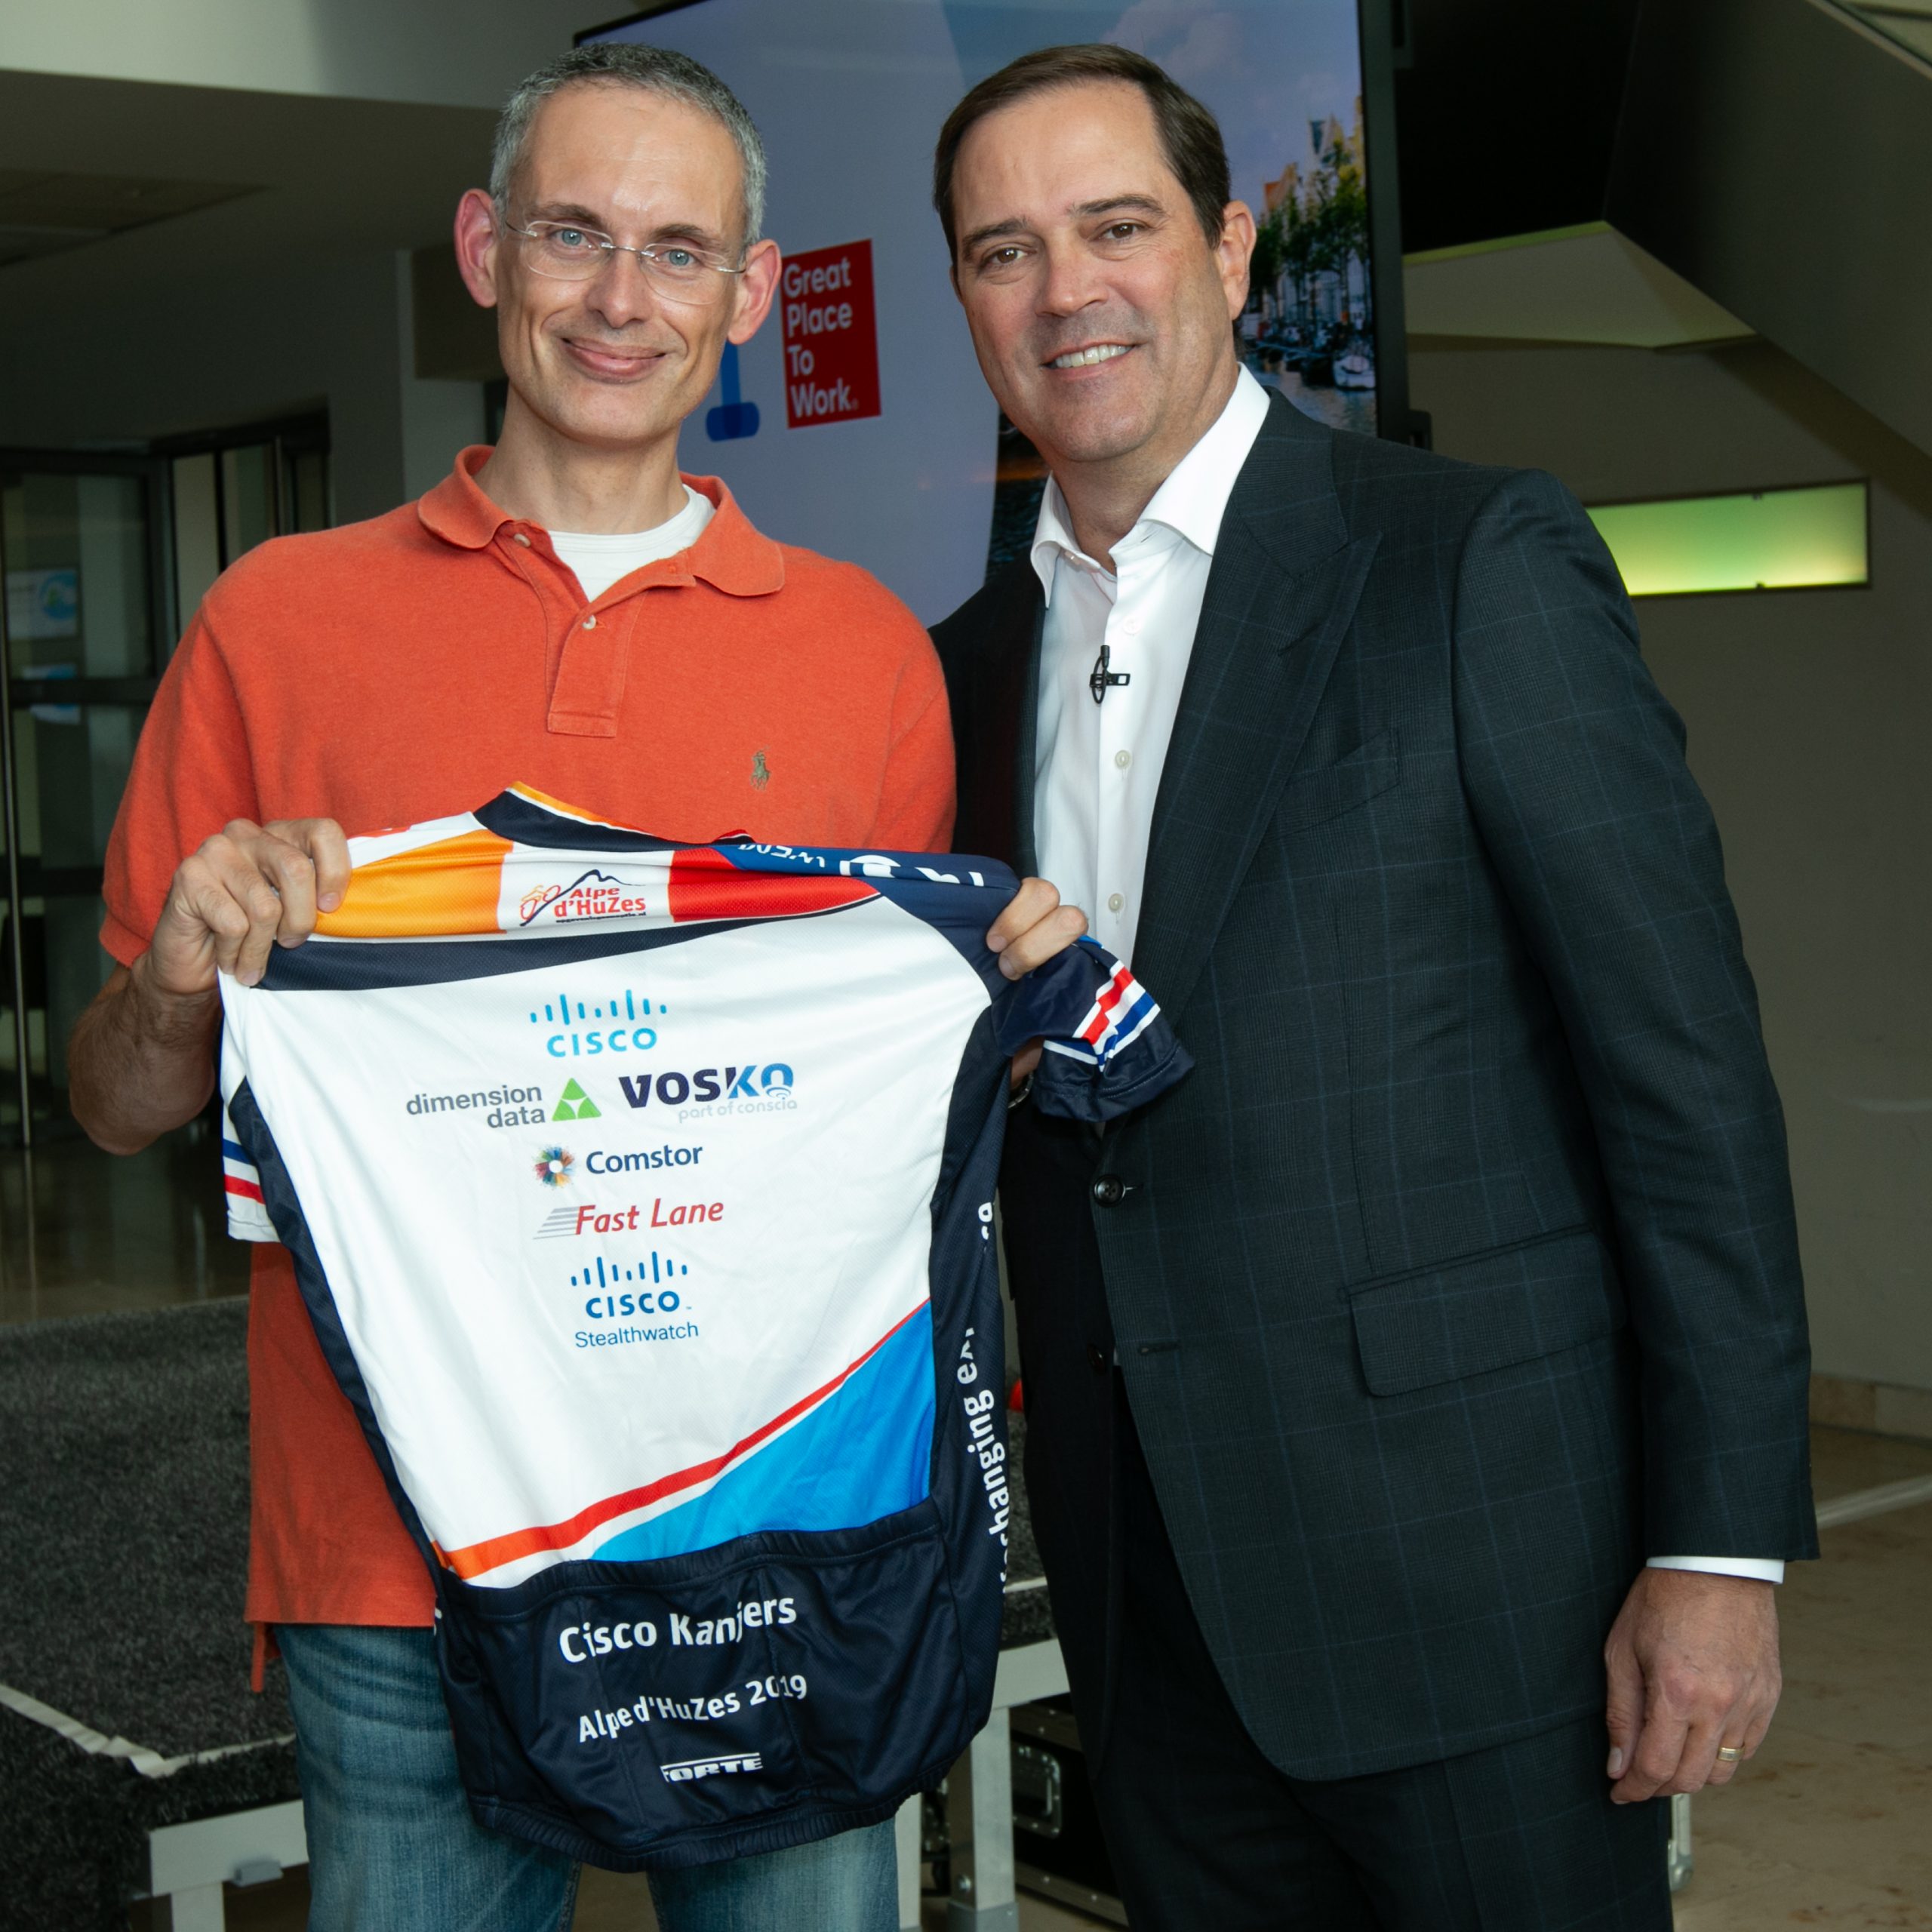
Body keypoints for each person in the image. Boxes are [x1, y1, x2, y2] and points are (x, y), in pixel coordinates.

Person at [68, 41, 1073, 1932]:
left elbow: (890, 1127)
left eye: (679, 251)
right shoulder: (273, 619)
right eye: (572, 235)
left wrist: (1012, 1009)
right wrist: (184, 973)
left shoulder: (866, 656)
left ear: (749, 294)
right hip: (397, 1554)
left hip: (779, 1527)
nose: (622, 298)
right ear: (482, 249)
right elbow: (117, 1106)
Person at [930, 44, 1817, 1931]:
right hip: (1145, 1607)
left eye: (1114, 226)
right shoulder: (963, 666)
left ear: (1227, 249)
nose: (1065, 290)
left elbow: (1679, 1080)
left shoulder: (1465, 559)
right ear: (965, 300)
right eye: (1004, 251)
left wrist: (1715, 1545)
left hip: (1482, 1597)